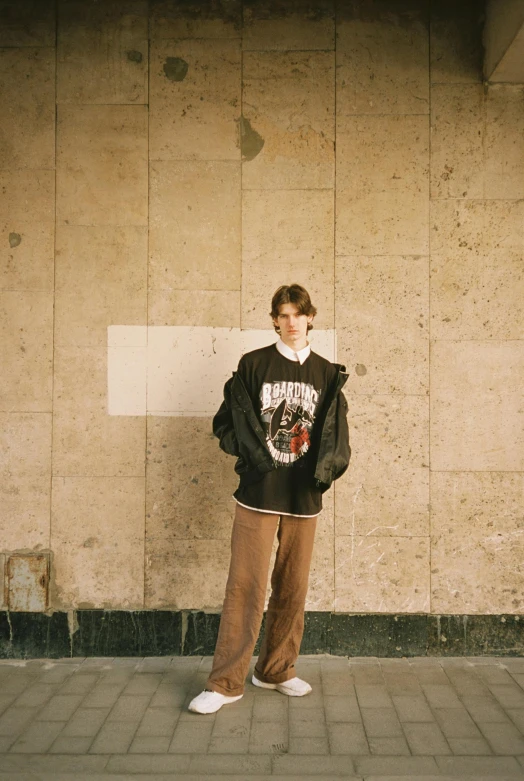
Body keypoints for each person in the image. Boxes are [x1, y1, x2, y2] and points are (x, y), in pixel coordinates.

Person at [188, 283, 350, 714]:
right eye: (284, 314)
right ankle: (225, 683)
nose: (291, 321)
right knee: (245, 587)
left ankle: (276, 670)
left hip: (303, 498)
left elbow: (337, 435)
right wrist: (249, 458)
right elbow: (226, 423)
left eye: (299, 313)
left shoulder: (329, 373)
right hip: (258, 495)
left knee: (292, 587)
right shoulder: (253, 364)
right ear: (275, 319)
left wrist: (324, 475)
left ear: (310, 317)